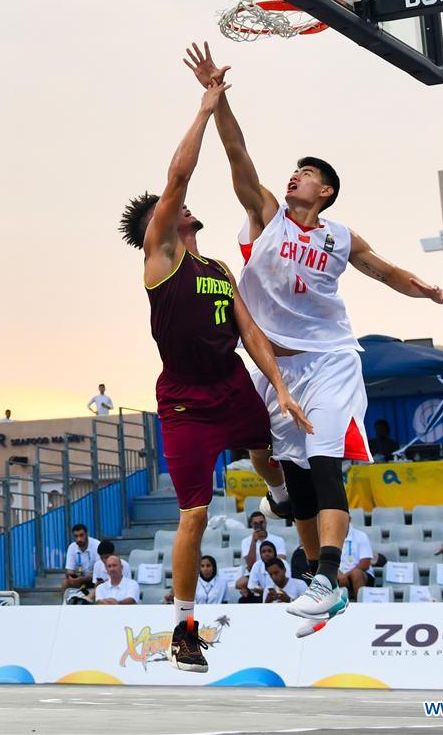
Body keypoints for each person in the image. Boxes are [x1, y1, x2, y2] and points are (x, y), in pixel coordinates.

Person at [184, 41, 443, 627]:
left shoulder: (340, 237)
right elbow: (236, 153)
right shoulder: (266, 215)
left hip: (330, 360)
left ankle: (328, 578)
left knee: (325, 462)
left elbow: (386, 271)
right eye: (296, 170)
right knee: (290, 476)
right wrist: (217, 99)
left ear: (325, 191)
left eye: (306, 174)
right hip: (274, 367)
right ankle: (309, 558)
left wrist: (428, 291)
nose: (295, 176)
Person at [118, 80, 311, 673]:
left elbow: (250, 333)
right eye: (170, 208)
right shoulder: (161, 259)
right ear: (158, 226)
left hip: (231, 384)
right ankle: (183, 632)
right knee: (195, 515)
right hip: (184, 403)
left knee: (266, 450)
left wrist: (280, 387)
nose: (181, 206)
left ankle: (279, 496)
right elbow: (178, 177)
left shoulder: (220, 268)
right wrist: (205, 109)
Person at [62, 523, 101, 595]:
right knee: (66, 582)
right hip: (80, 578)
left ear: (87, 534)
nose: (79, 539)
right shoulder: (72, 547)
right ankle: (65, 602)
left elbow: (99, 572)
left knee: (100, 581)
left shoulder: (97, 545)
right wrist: (71, 577)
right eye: (76, 536)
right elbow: (69, 570)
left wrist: (82, 578)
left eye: (81, 535)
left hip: (95, 579)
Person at [337, 525, 375, 599]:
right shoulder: (329, 537)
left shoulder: (361, 536)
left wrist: (345, 575)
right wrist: (338, 573)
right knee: (327, 573)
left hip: (361, 574)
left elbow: (365, 564)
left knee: (356, 573)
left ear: (349, 520)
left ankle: (360, 603)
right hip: (338, 574)